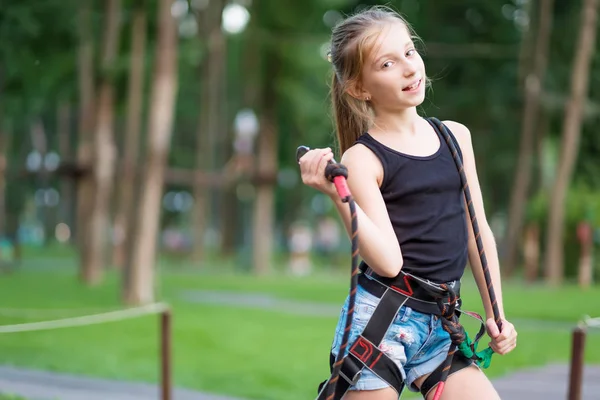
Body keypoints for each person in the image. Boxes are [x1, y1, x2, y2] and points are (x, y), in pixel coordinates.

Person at [298, 5, 518, 400]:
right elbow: (388, 262)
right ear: (359, 88)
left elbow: (478, 232)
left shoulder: (455, 137)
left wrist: (495, 312)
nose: (408, 67)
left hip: (440, 325)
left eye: (409, 52)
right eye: (387, 63)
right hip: (380, 324)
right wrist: (338, 195)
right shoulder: (362, 159)